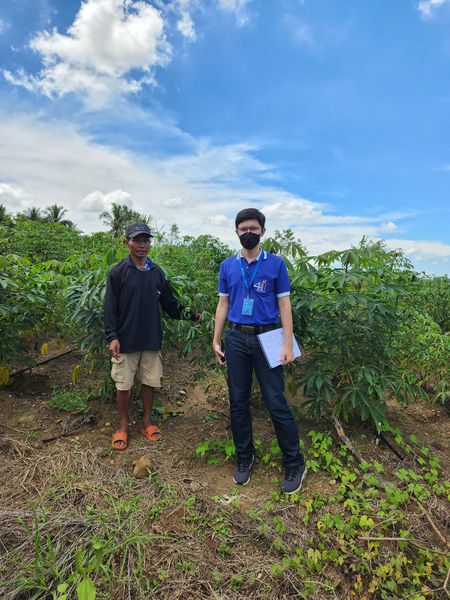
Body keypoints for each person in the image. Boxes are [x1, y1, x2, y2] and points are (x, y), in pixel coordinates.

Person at [212, 208, 306, 494]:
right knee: (238, 402)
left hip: (268, 337)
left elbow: (284, 305)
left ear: (263, 231)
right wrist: (216, 340)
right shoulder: (228, 266)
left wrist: (288, 343)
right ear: (236, 232)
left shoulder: (275, 264)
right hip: (237, 339)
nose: (248, 233)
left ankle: (294, 463)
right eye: (243, 229)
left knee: (275, 401)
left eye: (253, 228)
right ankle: (244, 457)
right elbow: (223, 304)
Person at [104, 223, 198, 450]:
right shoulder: (118, 272)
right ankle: (123, 426)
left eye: (146, 240)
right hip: (126, 339)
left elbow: (169, 304)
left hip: (151, 338)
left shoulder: (157, 272)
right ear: (127, 243)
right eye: (137, 240)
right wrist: (112, 336)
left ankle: (147, 422)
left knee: (150, 381)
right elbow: (110, 307)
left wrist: (191, 315)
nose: (142, 245)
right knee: (123, 384)